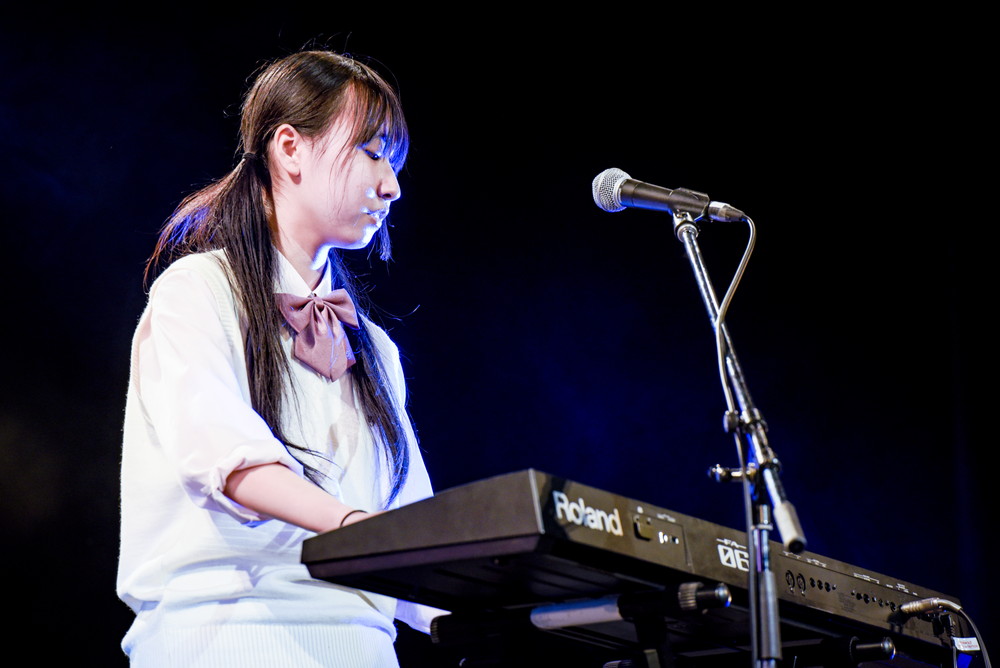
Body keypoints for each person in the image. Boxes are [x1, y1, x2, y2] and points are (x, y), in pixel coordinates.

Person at [116, 50, 440, 667]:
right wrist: (356, 529)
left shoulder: (374, 348)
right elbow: (229, 460)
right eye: (372, 152)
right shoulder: (198, 292)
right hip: (227, 636)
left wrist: (537, 609)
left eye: (394, 165)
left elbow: (411, 532)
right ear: (290, 148)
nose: (391, 186)